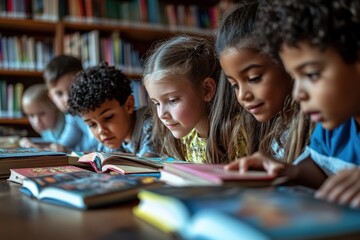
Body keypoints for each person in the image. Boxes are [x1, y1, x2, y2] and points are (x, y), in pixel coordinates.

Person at [226, 0, 360, 207]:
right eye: (294, 77)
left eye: (311, 74)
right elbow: (318, 170)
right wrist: (288, 171)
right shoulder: (334, 129)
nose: (298, 94)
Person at [208, 1, 313, 164]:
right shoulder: (268, 127)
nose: (243, 95)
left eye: (254, 78)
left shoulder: (320, 128)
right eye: (235, 85)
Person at [143, 35, 246, 163]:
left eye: (173, 100)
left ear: (206, 90)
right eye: (156, 103)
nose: (162, 114)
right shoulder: (183, 139)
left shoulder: (239, 131)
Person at [67, 62, 158, 157]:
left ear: (129, 105)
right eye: (92, 124)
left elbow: (145, 167)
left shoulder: (152, 127)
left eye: (108, 117)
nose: (101, 131)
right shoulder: (111, 140)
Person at [43, 55, 99, 152]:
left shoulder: (99, 108)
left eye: (73, 89)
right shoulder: (72, 115)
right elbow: (66, 143)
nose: (67, 98)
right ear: (51, 98)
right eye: (59, 93)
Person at [19, 84, 65, 150]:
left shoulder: (68, 126)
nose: (36, 121)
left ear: (56, 109)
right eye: (31, 115)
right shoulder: (46, 129)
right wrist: (28, 141)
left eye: (42, 114)